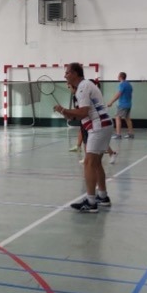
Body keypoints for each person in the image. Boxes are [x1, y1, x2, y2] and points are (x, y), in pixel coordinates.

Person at [53, 63, 114, 212]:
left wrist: (64, 109)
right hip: (103, 125)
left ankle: (91, 202)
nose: (65, 76)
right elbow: (77, 116)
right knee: (96, 163)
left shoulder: (83, 87)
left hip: (98, 126)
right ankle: (102, 196)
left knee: (88, 163)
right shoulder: (83, 88)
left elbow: (83, 112)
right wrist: (64, 112)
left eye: (67, 73)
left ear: (75, 73)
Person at [107, 72, 134, 139]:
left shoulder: (122, 84)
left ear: (120, 77)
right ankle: (131, 134)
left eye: (118, 76)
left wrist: (111, 102)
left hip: (122, 104)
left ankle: (118, 134)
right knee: (127, 118)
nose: (117, 77)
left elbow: (118, 94)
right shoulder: (129, 84)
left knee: (118, 117)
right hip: (128, 104)